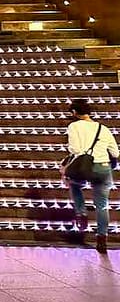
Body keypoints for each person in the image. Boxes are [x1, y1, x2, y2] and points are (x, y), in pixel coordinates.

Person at [66, 98, 120, 252]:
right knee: (102, 205)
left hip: (83, 166)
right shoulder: (103, 128)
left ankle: (81, 212)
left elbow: (75, 149)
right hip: (103, 168)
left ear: (75, 112)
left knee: (75, 185)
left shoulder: (74, 126)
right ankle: (102, 239)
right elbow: (115, 152)